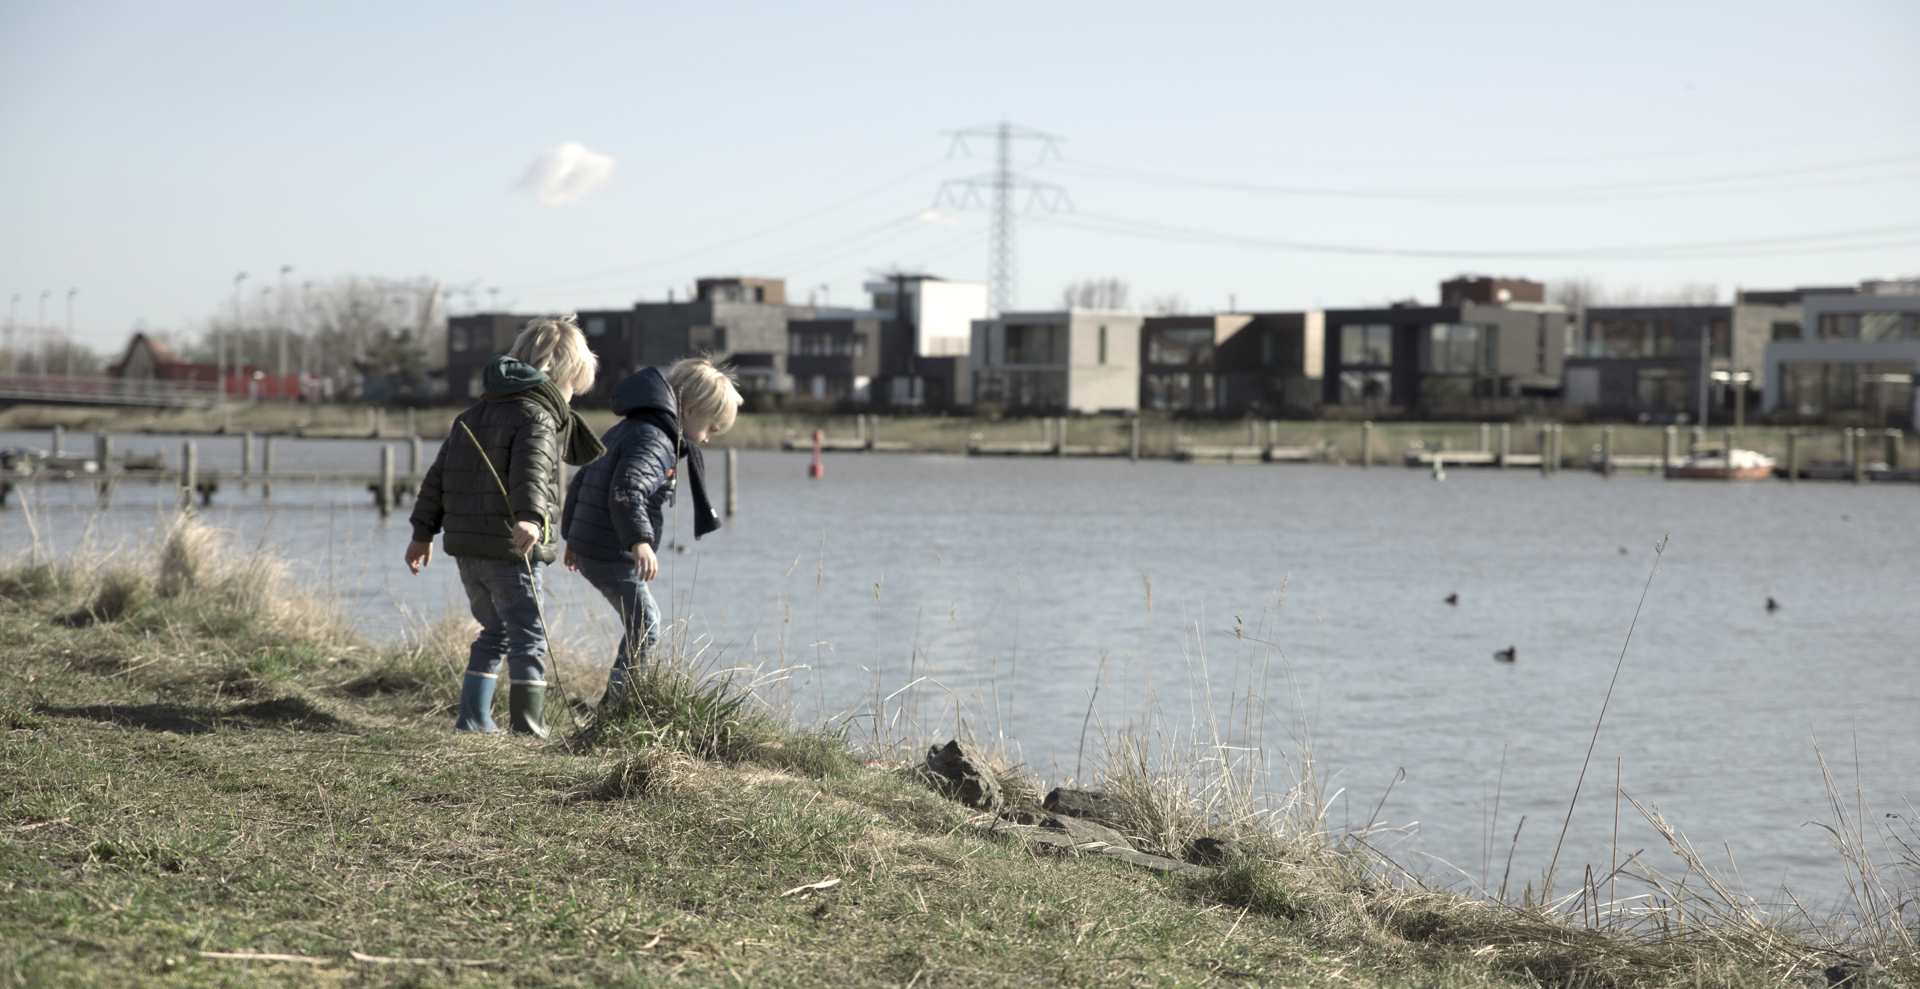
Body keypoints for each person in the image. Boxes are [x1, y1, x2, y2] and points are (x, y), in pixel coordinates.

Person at [404, 316, 604, 738]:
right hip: (511, 548)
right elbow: (532, 473)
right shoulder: (538, 417)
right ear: (559, 377)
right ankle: (529, 728)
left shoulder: (474, 414)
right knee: (529, 637)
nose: (569, 401)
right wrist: (531, 518)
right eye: (571, 390)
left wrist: (422, 533)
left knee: (494, 630)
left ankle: (474, 718)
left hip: (468, 552)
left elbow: (438, 476)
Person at [560, 357, 741, 707]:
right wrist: (640, 541)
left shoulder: (629, 427)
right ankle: (616, 707)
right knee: (646, 623)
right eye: (710, 428)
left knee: (641, 623)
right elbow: (626, 489)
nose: (705, 439)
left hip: (594, 544)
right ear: (688, 409)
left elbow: (583, 480)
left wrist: (572, 537)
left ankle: (616, 702)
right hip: (613, 549)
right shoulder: (656, 441)